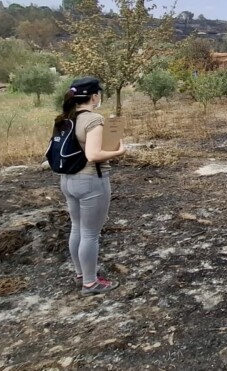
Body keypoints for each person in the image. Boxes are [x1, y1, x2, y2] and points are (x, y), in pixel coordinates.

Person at [54, 76, 126, 296]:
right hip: (90, 182)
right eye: (99, 93)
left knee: (77, 228)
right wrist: (119, 150)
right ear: (95, 96)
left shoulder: (66, 118)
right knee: (90, 234)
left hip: (68, 180)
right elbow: (93, 155)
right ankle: (90, 283)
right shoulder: (93, 119)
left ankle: (81, 273)